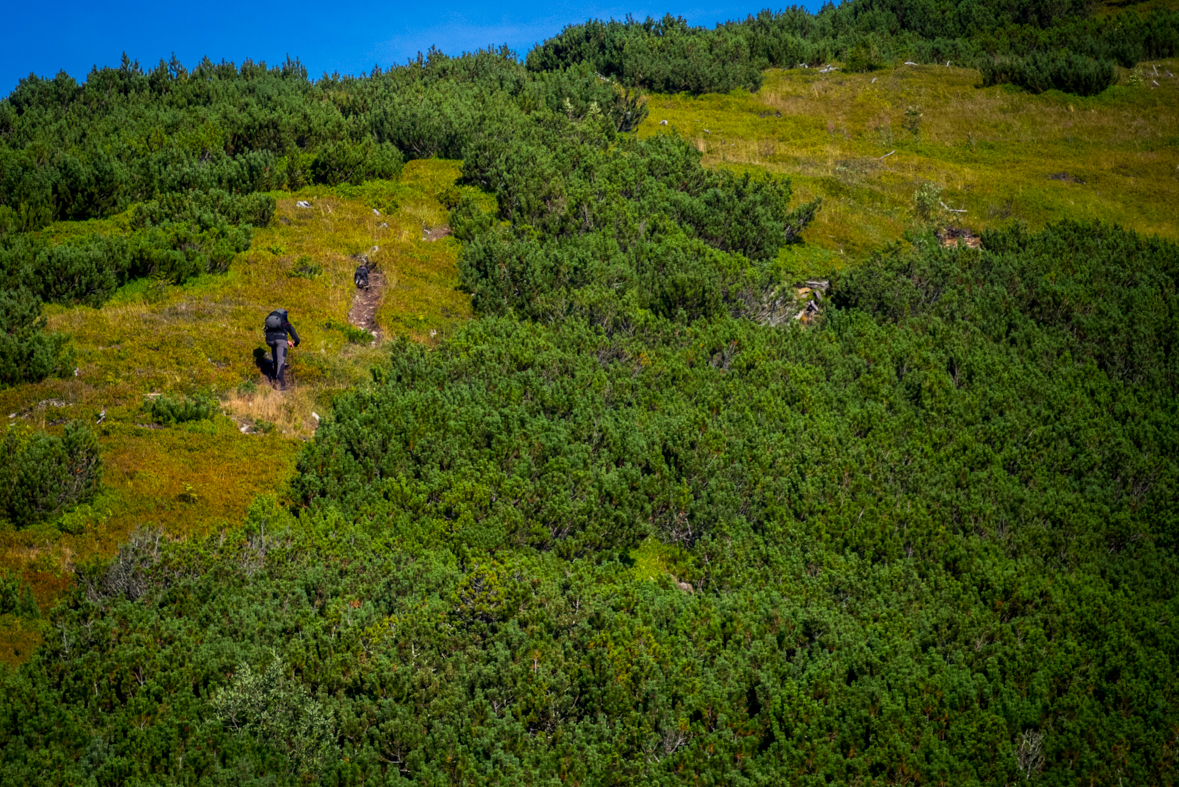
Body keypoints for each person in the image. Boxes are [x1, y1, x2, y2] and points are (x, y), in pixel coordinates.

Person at [264, 309, 300, 390]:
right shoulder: (284, 321)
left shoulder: (272, 321)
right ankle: (280, 384)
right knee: (281, 360)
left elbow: (275, 333)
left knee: (275, 356)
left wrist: (286, 341)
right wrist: (296, 342)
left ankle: (274, 376)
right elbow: (291, 329)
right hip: (280, 340)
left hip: (269, 340)